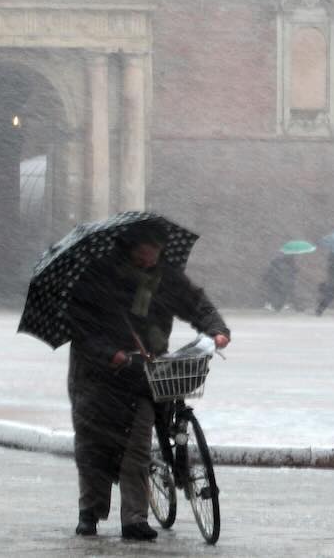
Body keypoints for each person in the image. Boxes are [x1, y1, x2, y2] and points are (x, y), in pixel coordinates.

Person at [66, 220, 230, 541]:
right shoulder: (98, 278)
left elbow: (196, 303)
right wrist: (110, 353)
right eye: (143, 253)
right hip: (97, 377)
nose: (149, 258)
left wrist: (216, 328)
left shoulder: (166, 278)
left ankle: (134, 519)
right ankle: (90, 513)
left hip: (144, 371)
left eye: (155, 252)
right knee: (94, 446)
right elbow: (81, 327)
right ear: (128, 250)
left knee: (136, 446)